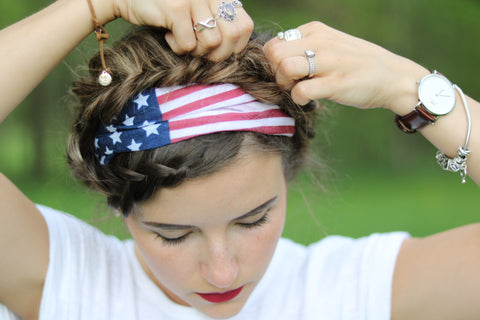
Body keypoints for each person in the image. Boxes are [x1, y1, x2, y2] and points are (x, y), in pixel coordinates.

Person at [1, 1, 479, 320]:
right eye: (173, 234)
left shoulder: (347, 292)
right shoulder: (70, 283)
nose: (222, 271)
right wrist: (92, 5)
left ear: (289, 171)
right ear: (118, 202)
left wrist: (414, 90)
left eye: (253, 220)